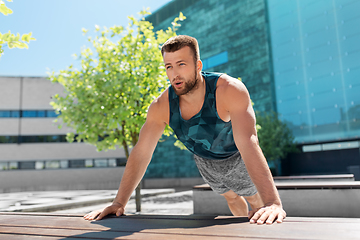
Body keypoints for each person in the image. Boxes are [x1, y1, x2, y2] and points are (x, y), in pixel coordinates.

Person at [84, 35, 286, 224]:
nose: (175, 74)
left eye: (181, 64)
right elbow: (141, 153)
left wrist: (273, 203)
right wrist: (119, 203)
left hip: (236, 158)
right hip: (204, 162)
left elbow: (248, 141)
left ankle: (260, 229)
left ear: (198, 65)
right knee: (231, 198)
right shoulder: (161, 106)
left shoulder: (228, 90)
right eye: (169, 67)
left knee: (254, 201)